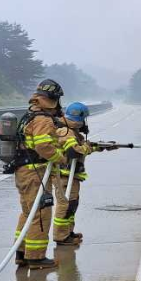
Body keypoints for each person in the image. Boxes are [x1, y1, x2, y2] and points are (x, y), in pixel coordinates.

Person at [13, 79, 65, 270]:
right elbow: (43, 145)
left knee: (28, 213)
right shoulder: (42, 119)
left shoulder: (29, 115)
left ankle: (21, 253)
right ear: (52, 99)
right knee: (41, 213)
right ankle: (36, 258)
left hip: (23, 171)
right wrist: (59, 157)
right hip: (35, 171)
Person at [52, 102, 97, 246]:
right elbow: (73, 151)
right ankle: (61, 236)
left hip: (71, 176)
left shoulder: (71, 130)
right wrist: (87, 148)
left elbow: (80, 147)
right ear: (80, 118)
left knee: (72, 204)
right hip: (64, 176)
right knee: (65, 206)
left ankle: (68, 232)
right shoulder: (65, 131)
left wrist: (102, 146)